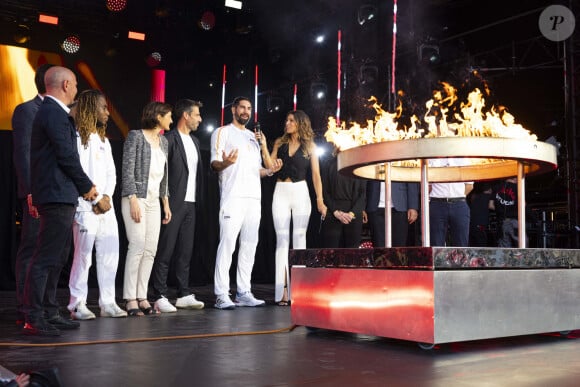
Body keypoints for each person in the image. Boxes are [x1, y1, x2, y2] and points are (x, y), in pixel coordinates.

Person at [24, 66, 98, 336]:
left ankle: (49, 310)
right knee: (45, 257)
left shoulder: (55, 113)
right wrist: (87, 187)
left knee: (57, 257)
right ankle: (34, 315)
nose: (77, 90)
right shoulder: (53, 112)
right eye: (76, 84)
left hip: (61, 193)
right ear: (66, 85)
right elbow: (66, 156)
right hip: (55, 193)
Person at [210, 96, 281, 310]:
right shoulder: (222, 131)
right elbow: (214, 164)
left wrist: (269, 170)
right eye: (242, 107)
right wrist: (226, 162)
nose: (246, 111)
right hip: (233, 197)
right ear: (233, 110)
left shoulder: (254, 137)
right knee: (228, 245)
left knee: (249, 246)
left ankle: (243, 291)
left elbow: (256, 169)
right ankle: (222, 294)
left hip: (253, 198)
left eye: (249, 108)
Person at [67, 89, 127, 320]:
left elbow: (112, 174)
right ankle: (77, 304)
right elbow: (77, 172)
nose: (107, 113)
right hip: (85, 206)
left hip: (105, 207)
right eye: (103, 108)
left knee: (110, 254)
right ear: (91, 107)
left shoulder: (103, 140)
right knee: (83, 257)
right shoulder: (76, 136)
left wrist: (106, 198)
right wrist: (94, 198)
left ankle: (108, 302)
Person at [268, 110, 327, 306]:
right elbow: (268, 165)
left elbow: (316, 176)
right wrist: (264, 149)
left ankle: (298, 291)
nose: (287, 122)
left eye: (291, 120)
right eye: (287, 119)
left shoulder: (310, 146)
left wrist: (320, 199)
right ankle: (281, 291)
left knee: (299, 240)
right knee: (282, 240)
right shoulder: (279, 142)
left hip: (301, 192)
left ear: (300, 123)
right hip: (281, 191)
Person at [11, 63, 54, 328]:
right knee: (31, 248)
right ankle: (25, 307)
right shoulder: (28, 110)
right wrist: (30, 192)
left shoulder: (60, 113)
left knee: (53, 252)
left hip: (56, 194)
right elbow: (23, 154)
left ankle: (45, 306)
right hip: (37, 194)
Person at [152, 99, 205, 313]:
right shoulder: (169, 140)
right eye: (197, 115)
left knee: (185, 251)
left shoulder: (195, 141)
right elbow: (162, 173)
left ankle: (183, 293)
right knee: (166, 249)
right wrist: (165, 202)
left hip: (191, 203)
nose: (200, 119)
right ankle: (160, 294)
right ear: (186, 115)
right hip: (173, 202)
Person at [121, 101, 172, 316]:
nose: (170, 120)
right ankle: (130, 297)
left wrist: (166, 203)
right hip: (137, 197)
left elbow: (164, 176)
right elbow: (127, 169)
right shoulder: (135, 136)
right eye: (168, 116)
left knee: (151, 249)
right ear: (158, 116)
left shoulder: (163, 142)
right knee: (138, 245)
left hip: (154, 201)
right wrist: (132, 198)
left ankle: (142, 296)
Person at [320, 147, 366, 248]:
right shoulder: (328, 164)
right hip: (333, 213)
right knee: (331, 253)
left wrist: (351, 213)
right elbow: (324, 191)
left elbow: (363, 194)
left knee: (352, 254)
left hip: (353, 215)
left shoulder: (358, 165)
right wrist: (335, 212)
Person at [428, 158, 473, 247]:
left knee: (461, 243)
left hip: (459, 204)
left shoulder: (464, 160)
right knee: (436, 243)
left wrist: (457, 196)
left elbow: (469, 185)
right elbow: (427, 186)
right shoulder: (432, 159)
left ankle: (461, 261)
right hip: (437, 204)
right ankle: (437, 261)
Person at [366, 181, 419, 247]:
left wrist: (413, 206)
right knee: (378, 246)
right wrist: (362, 207)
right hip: (374, 204)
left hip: (400, 204)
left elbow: (411, 179)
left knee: (399, 246)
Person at [490, 177, 529, 247]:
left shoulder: (496, 187)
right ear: (515, 178)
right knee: (522, 246)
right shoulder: (518, 187)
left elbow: (490, 205)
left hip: (501, 222)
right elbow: (523, 204)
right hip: (515, 222)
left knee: (504, 249)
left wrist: (501, 209)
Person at [468, 181, 493, 247]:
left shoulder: (474, 196)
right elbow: (492, 206)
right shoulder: (489, 197)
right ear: (490, 189)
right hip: (481, 225)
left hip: (472, 223)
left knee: (473, 244)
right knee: (481, 245)